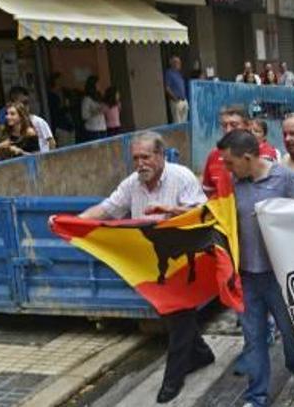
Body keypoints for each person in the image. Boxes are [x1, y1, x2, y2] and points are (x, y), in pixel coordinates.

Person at [77, 132, 211, 404]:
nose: (140, 164)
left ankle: (172, 381)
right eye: (136, 158)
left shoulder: (182, 177)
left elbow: (203, 214)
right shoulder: (132, 184)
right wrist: (75, 222)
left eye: (146, 157)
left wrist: (171, 211)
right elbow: (107, 209)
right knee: (172, 313)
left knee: (178, 315)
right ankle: (202, 353)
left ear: (161, 156)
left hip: (182, 259)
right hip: (152, 261)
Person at [217, 130, 294, 405]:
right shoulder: (234, 182)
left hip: (279, 276)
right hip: (246, 276)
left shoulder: (283, 178)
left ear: (247, 158)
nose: (227, 168)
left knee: (291, 333)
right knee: (253, 338)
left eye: (230, 162)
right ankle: (256, 395)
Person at [202, 106, 278, 198]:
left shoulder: (264, 153)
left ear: (248, 126)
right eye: (224, 125)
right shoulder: (214, 155)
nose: (228, 130)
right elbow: (209, 192)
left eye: (234, 125)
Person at [47, 74, 74, 145]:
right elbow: (55, 112)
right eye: (61, 81)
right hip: (61, 127)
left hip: (69, 125)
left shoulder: (64, 93)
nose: (63, 82)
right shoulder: (52, 96)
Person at [81, 76, 107, 142]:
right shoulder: (87, 99)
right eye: (98, 84)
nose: (100, 86)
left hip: (102, 128)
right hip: (93, 130)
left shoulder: (99, 97)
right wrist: (96, 111)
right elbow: (84, 116)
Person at [164, 56, 189, 123]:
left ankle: (183, 134)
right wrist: (174, 98)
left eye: (179, 62)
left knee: (184, 122)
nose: (179, 64)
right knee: (177, 122)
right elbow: (167, 88)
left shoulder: (179, 74)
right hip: (176, 102)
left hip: (184, 100)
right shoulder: (169, 73)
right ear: (172, 63)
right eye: (177, 62)